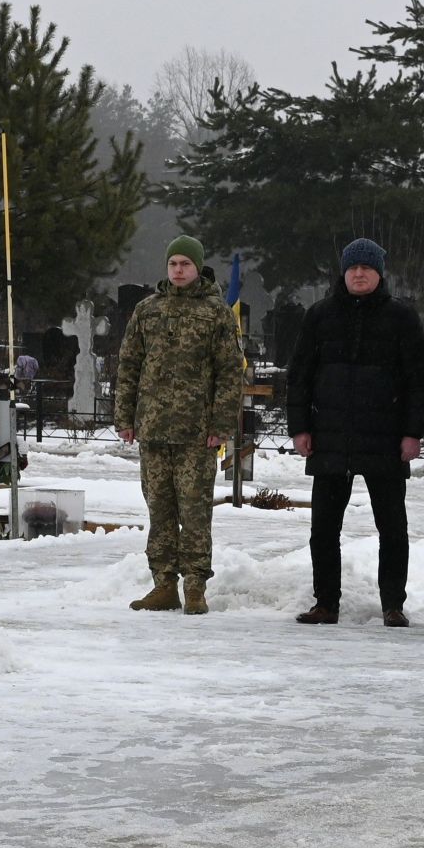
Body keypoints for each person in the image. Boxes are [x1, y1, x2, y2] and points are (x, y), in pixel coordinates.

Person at [285, 237, 424, 626]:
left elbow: (419, 380)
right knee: (323, 528)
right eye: (353, 267)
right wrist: (300, 427)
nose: (359, 274)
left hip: (385, 439)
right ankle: (326, 603)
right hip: (330, 437)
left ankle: (393, 604)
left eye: (366, 268)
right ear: (343, 272)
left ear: (379, 273)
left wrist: (413, 432)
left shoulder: (402, 317)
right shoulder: (320, 316)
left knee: (393, 527)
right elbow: (299, 377)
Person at [111, 234, 247, 614]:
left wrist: (221, 424)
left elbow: (229, 371)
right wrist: (125, 417)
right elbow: (129, 365)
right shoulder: (147, 310)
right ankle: (164, 584)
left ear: (198, 267)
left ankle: (195, 587)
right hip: (154, 429)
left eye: (185, 264)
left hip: (197, 433)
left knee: (195, 512)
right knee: (160, 511)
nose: (178, 270)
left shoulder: (216, 312)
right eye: (173, 264)